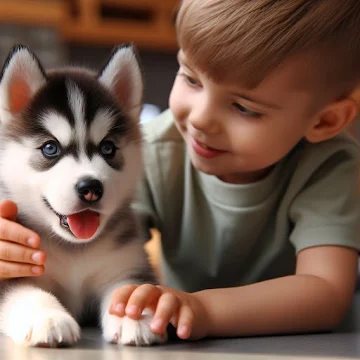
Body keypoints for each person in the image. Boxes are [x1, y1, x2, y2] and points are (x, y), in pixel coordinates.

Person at [1, 0, 360, 342]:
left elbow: (325, 291)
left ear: (325, 120)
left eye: (243, 107)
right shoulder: (156, 150)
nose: (201, 118)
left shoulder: (331, 167)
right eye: (191, 78)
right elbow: (102, 260)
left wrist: (205, 308)